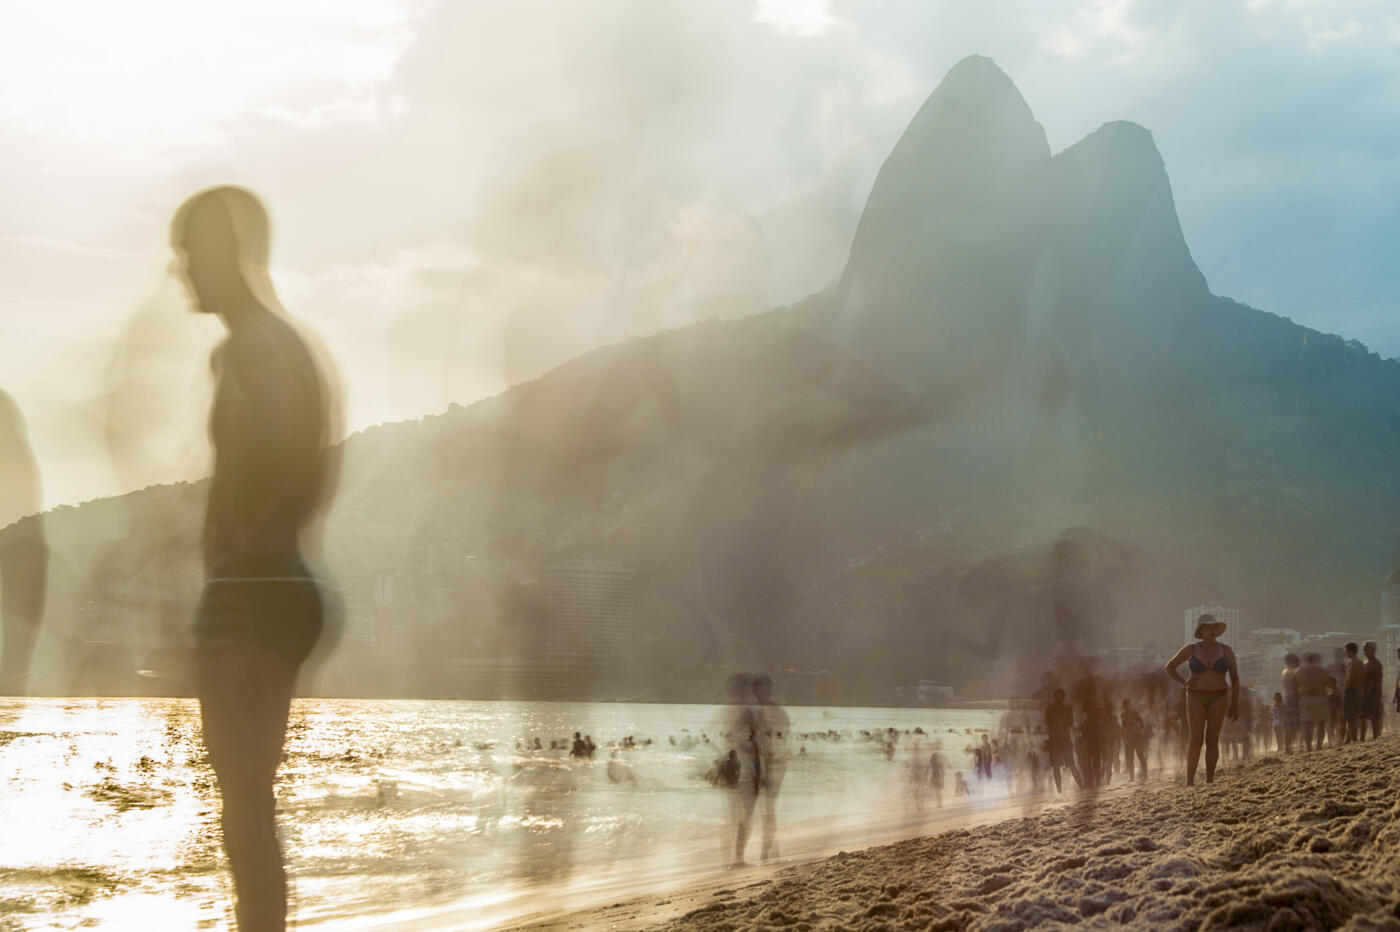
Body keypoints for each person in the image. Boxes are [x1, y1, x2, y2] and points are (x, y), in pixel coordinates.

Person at [174, 186, 337, 932]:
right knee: (247, 804)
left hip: (254, 584)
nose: (178, 268)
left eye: (187, 250)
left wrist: (242, 553)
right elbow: (311, 465)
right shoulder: (278, 345)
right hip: (277, 580)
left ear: (219, 251)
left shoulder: (249, 349)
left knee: (243, 807)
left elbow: (276, 468)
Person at [1164, 614, 1239, 785]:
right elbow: (1169, 667)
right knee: (1195, 739)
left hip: (1220, 696)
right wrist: (1183, 682)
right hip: (1195, 696)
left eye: (1214, 628)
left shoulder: (1225, 650)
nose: (1212, 631)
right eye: (1208, 627)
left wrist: (1235, 704)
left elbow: (1235, 679)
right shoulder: (1191, 649)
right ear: (1201, 630)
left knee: (1212, 739)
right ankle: (1190, 780)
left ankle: (1210, 780)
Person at [751, 673, 789, 862]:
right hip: (759, 765)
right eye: (759, 688)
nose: (762, 692)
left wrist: (769, 769)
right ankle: (771, 848)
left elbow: (780, 743)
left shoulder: (777, 712)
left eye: (765, 688)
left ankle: (769, 850)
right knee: (764, 809)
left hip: (774, 765)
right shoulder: (755, 711)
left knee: (768, 808)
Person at [1044, 688, 1083, 793]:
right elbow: (1069, 724)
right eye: (1058, 696)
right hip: (1062, 739)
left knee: (1060, 766)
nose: (1059, 698)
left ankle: (1061, 791)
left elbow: (1048, 725)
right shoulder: (1066, 709)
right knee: (1069, 764)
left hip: (1057, 739)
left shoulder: (1051, 709)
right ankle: (1080, 787)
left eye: (1059, 696)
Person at [1295, 652, 1330, 751]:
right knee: (1320, 723)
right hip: (1319, 698)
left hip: (1305, 698)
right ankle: (1319, 745)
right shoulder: (1321, 670)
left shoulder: (1300, 670)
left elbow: (1296, 685)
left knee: (1307, 724)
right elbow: (1327, 683)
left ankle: (1308, 747)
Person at [1120, 697, 1148, 782]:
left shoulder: (1135, 713)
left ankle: (1145, 774)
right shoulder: (1123, 715)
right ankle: (1131, 777)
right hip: (1128, 738)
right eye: (1125, 704)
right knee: (1130, 757)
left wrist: (1137, 729)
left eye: (1128, 704)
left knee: (1140, 755)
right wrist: (1123, 738)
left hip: (1136, 737)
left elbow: (1142, 724)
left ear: (1130, 704)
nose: (1126, 706)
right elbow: (1123, 727)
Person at [1360, 641, 1383, 740]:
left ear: (1372, 650)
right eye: (1364, 649)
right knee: (1363, 716)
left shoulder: (1376, 664)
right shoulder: (1365, 663)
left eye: (1366, 649)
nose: (1364, 651)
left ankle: (1375, 736)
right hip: (1364, 693)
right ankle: (1362, 737)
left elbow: (1378, 680)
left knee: (1374, 716)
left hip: (1373, 693)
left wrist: (1372, 692)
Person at [1342, 642, 1363, 743]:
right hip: (1354, 691)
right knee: (1350, 717)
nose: (1345, 653)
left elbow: (1352, 679)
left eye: (1346, 651)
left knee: (1350, 717)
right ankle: (1348, 739)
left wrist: (1346, 688)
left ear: (1350, 651)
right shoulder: (1352, 662)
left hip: (1352, 692)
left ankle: (1354, 739)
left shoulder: (1355, 663)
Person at [1280, 653, 1301, 753]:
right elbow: (1296, 688)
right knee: (1292, 726)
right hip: (1292, 700)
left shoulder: (1285, 671)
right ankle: (1289, 747)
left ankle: (1288, 747)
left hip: (1287, 700)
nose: (1298, 663)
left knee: (1289, 726)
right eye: (1297, 661)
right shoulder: (1292, 673)